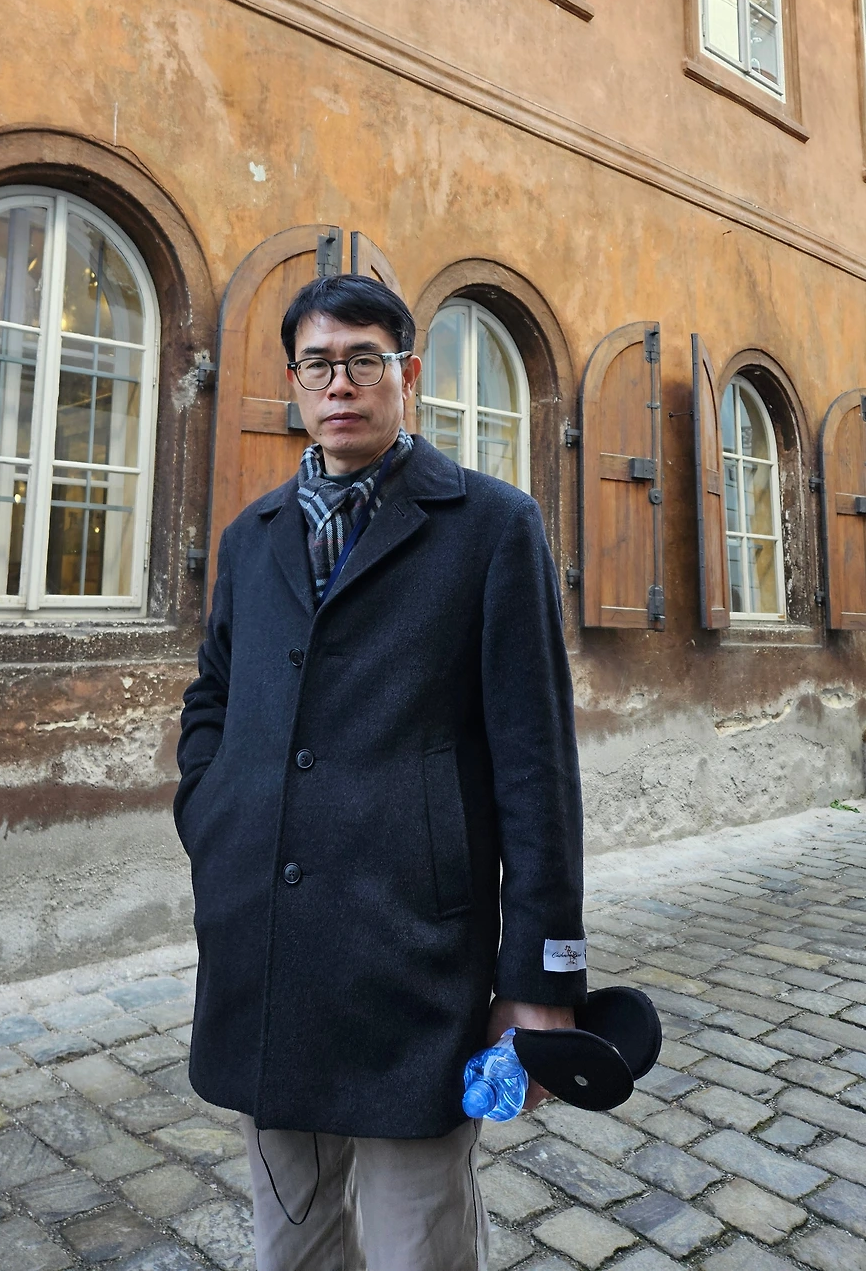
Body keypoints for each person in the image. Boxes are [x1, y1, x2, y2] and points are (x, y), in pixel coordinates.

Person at [175, 274, 585, 1271]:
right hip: (264, 943)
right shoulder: (251, 537)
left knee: (418, 1240)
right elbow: (212, 696)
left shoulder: (491, 525)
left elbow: (536, 764)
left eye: (364, 359)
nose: (340, 383)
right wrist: (212, 807)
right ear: (293, 382)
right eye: (318, 363)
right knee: (292, 1238)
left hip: (412, 952)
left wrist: (539, 978)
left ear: (407, 373)